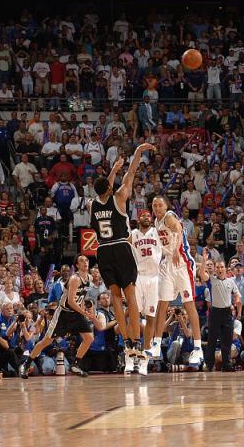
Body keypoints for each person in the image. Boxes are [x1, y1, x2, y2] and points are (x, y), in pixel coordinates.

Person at [90, 143, 155, 367]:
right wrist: (138, 151)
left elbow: (103, 188)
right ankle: (136, 341)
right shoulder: (118, 197)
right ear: (109, 187)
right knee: (131, 296)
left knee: (115, 297)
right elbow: (132, 173)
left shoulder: (92, 204)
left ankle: (126, 341)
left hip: (103, 250)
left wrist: (113, 170)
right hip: (120, 246)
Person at [147, 195, 204, 369]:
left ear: (166, 206)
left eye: (160, 205)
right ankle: (156, 343)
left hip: (182, 263)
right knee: (162, 303)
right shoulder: (156, 223)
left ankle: (198, 348)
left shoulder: (169, 216)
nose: (157, 208)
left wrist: (177, 250)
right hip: (167, 264)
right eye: (154, 205)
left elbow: (179, 230)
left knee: (188, 303)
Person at [20, 255, 96, 378]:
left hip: (76, 313)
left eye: (86, 260)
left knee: (89, 338)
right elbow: (70, 301)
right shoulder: (75, 279)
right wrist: (83, 312)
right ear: (77, 265)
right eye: (82, 261)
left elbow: (81, 297)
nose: (85, 262)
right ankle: (26, 364)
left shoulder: (89, 278)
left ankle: (75, 365)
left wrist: (83, 310)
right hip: (63, 314)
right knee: (46, 341)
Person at [131, 210, 162, 375]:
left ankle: (145, 357)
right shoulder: (133, 234)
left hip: (154, 278)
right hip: (138, 276)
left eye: (149, 216)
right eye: (143, 216)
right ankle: (131, 352)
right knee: (134, 316)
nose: (146, 218)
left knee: (151, 317)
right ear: (138, 219)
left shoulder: (157, 232)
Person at [200, 259, 241, 371]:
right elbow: (202, 274)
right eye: (217, 267)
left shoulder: (231, 281)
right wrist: (204, 260)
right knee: (212, 340)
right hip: (215, 312)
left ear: (225, 269)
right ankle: (209, 365)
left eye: (222, 267)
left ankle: (227, 365)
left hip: (227, 313)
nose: (219, 269)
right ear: (215, 269)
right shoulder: (211, 280)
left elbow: (237, 294)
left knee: (227, 340)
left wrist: (236, 300)